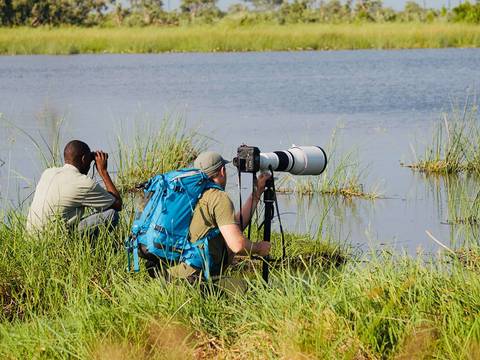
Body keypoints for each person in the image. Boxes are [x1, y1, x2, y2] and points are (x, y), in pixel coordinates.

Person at [164, 151, 271, 289]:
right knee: (254, 293)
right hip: (193, 279)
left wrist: (256, 193)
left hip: (170, 276)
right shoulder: (218, 197)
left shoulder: (191, 194)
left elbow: (233, 227)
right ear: (222, 171)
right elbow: (237, 245)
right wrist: (258, 248)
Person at [26, 140, 122, 236]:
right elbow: (117, 204)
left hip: (32, 238)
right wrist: (103, 171)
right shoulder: (84, 183)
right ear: (84, 159)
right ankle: (87, 248)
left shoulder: (48, 173)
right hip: (56, 241)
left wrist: (89, 156)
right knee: (112, 214)